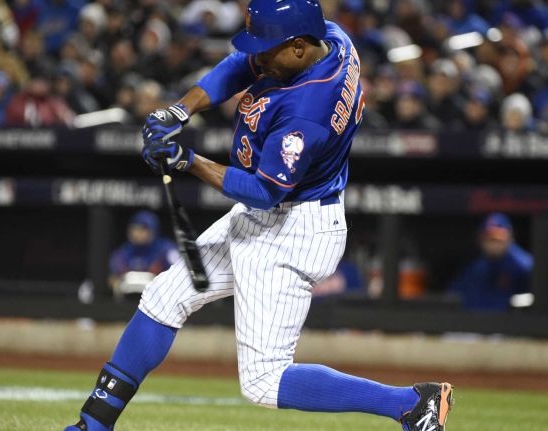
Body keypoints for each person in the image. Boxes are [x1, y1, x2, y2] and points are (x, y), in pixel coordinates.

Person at [62, 2, 453, 431]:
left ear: (299, 47)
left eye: (269, 49)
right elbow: (241, 64)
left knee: (264, 381)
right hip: (280, 214)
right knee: (163, 299)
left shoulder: (308, 109)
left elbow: (264, 191)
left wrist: (187, 160)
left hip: (290, 229)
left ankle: (410, 403)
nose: (259, 57)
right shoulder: (331, 37)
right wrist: (180, 110)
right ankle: (92, 424)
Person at [449, 213, 532, 311]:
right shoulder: (477, 267)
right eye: (489, 239)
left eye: (498, 239)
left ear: (509, 238)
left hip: (515, 318)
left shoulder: (524, 266)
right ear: (480, 240)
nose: (493, 244)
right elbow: (454, 294)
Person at [108, 211, 178, 293]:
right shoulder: (122, 253)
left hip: (160, 297)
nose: (137, 233)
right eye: (135, 228)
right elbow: (113, 280)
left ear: (153, 231)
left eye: (143, 229)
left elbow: (178, 278)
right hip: (128, 298)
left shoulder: (168, 251)